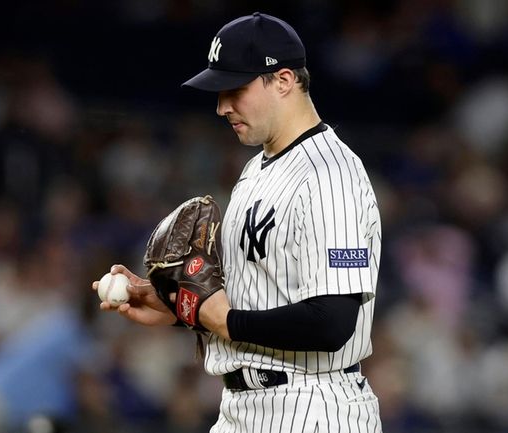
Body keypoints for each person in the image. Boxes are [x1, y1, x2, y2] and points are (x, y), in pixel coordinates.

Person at [94, 12, 383, 433]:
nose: (221, 106)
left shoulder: (329, 174)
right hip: (242, 408)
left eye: (235, 89)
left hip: (313, 407)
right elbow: (256, 296)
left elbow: (332, 323)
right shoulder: (256, 170)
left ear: (283, 81)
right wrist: (182, 308)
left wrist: (220, 320)